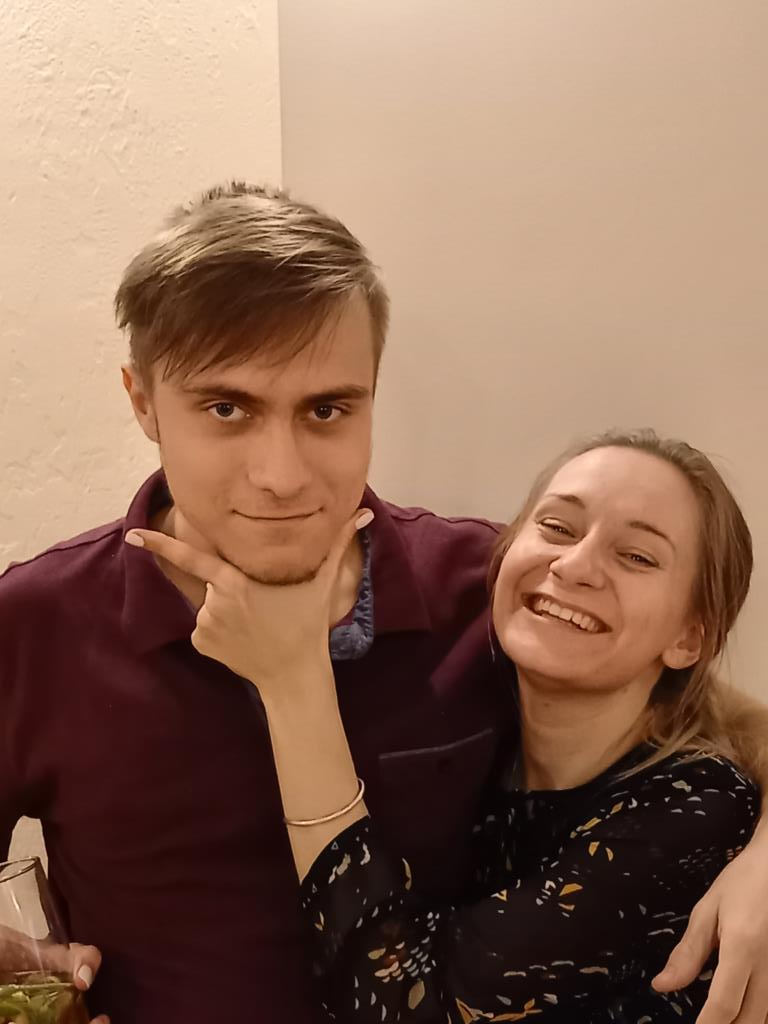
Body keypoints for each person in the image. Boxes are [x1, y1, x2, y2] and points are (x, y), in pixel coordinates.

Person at [0, 182, 766, 1023]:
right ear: (143, 401)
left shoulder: (487, 587)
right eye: (227, 408)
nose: (282, 475)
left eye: (327, 409)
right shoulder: (37, 620)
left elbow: (708, 721)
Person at [130, 429, 765, 1022]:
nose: (574, 566)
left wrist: (293, 680)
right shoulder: (480, 727)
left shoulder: (697, 807)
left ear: (690, 638)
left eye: (637, 556)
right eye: (556, 526)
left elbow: (405, 1005)